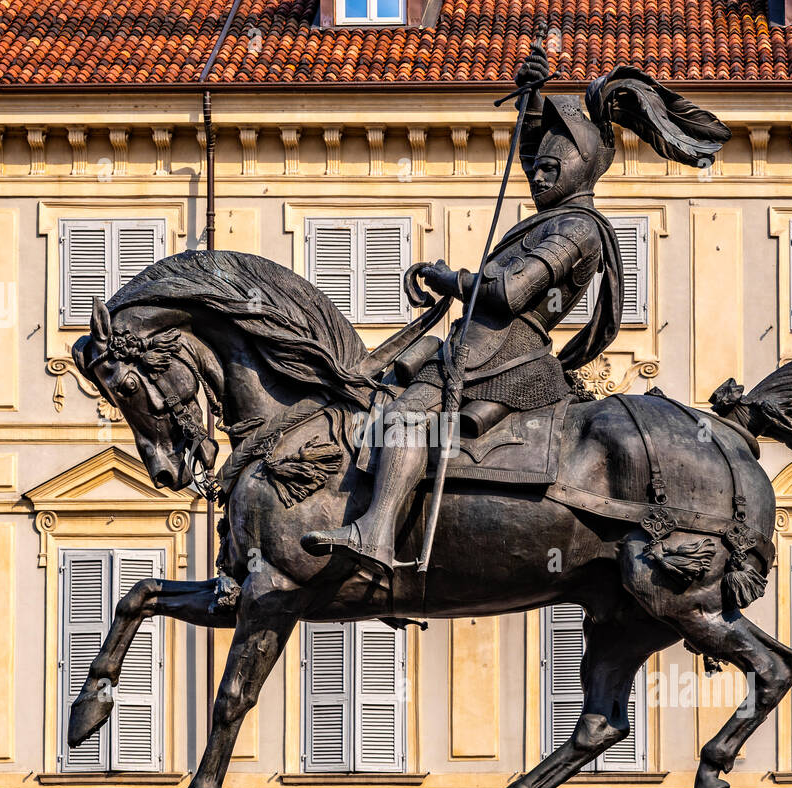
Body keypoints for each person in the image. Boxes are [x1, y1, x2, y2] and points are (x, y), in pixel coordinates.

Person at [301, 44, 728, 579]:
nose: (538, 177)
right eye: (536, 168)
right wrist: (533, 100)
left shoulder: (577, 228)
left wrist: (447, 278)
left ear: (579, 166)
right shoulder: (551, 218)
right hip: (475, 349)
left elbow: (507, 292)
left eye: (551, 168)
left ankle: (377, 532)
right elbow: (528, 152)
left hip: (504, 358)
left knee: (407, 416)